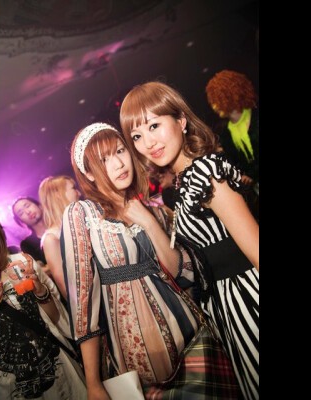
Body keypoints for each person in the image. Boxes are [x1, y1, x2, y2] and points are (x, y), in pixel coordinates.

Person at [61, 122, 240, 399]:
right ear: (89, 173)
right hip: (138, 365)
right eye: (104, 159)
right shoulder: (82, 213)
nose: (119, 163)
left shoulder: (153, 208)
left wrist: (149, 222)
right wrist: (93, 382)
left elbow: (184, 273)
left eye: (120, 150)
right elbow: (82, 302)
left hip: (194, 342)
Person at [120, 81, 259, 400]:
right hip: (227, 308)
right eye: (137, 136)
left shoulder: (204, 172)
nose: (148, 143)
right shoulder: (184, 184)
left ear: (181, 120)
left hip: (248, 301)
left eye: (154, 126)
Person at [0, 215, 87, 399]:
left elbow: (55, 319)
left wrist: (40, 290)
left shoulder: (21, 263)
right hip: (8, 388)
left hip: (60, 371)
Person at [205, 69, 259, 220]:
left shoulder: (256, 117)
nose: (214, 106)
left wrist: (252, 174)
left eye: (218, 98)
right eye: (212, 100)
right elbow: (235, 163)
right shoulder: (225, 134)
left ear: (231, 94)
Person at [38, 175, 81, 299]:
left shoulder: (80, 223)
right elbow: (67, 289)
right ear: (58, 195)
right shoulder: (52, 238)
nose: (78, 193)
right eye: (73, 188)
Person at [12, 196, 49, 275]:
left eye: (27, 206)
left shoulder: (61, 223)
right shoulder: (27, 244)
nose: (27, 212)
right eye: (21, 213)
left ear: (39, 205)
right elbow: (40, 272)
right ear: (21, 222)